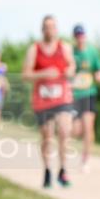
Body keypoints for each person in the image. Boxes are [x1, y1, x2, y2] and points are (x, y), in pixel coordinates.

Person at [22, 15, 76, 188]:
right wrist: (43, 74)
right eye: (46, 26)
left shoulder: (65, 47)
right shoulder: (34, 49)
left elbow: (72, 67)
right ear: (42, 29)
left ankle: (63, 170)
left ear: (56, 29)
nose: (49, 30)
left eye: (52, 26)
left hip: (62, 97)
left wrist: (69, 72)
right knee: (47, 135)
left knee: (65, 130)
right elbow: (25, 75)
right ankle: (47, 170)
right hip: (43, 99)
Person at [69, 24, 100, 172]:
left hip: (89, 94)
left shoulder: (92, 51)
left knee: (88, 127)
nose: (80, 37)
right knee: (75, 130)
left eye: (82, 35)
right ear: (74, 37)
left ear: (85, 36)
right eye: (77, 35)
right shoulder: (70, 52)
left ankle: (85, 160)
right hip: (73, 95)